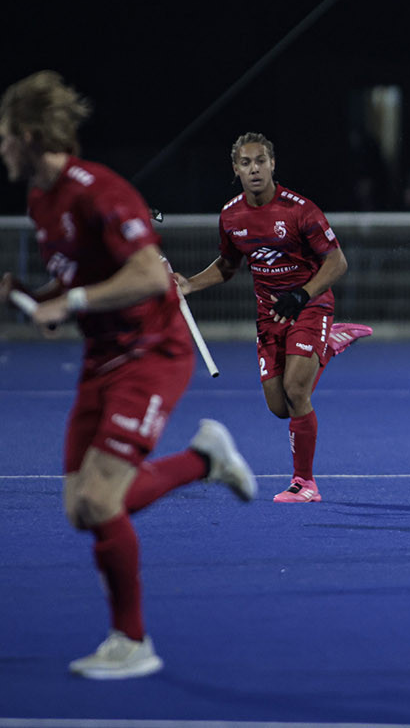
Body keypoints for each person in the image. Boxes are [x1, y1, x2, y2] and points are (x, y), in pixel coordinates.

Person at [1, 71, 258, 679]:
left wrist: (77, 303)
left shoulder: (99, 191)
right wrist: (35, 297)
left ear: (31, 137)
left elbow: (147, 276)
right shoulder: (39, 198)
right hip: (101, 360)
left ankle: (133, 641)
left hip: (152, 354)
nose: (1, 148)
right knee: (80, 509)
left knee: (99, 498)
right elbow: (75, 278)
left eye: (5, 136)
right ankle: (204, 460)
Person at [176, 132, 369, 504]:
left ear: (272, 164)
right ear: (236, 169)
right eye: (246, 163)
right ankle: (328, 346)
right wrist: (188, 285)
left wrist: (303, 295)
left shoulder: (300, 209)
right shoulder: (231, 215)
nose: (254, 169)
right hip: (269, 317)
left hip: (309, 305)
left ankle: (305, 483)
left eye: (260, 161)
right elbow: (228, 266)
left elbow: (337, 262)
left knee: (298, 392)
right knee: (280, 407)